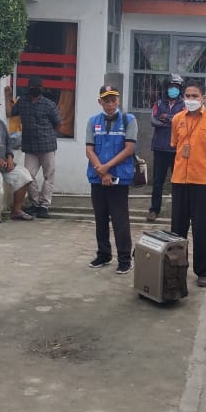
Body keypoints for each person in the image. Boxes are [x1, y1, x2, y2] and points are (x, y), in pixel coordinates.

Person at [169, 80, 206, 287]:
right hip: (179, 180)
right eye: (187, 96)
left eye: (195, 96)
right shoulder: (177, 119)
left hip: (203, 181)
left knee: (202, 228)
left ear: (203, 98)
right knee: (177, 228)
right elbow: (175, 145)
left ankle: (204, 271)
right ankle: (175, 269)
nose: (191, 99)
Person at [86, 85, 138, 273]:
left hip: (119, 178)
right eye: (106, 101)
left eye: (113, 100)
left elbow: (128, 150)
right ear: (100, 102)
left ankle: (124, 259)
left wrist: (107, 168)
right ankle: (103, 254)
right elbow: (89, 149)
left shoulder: (129, 120)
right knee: (100, 218)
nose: (110, 104)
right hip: (97, 178)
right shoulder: (93, 121)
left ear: (118, 100)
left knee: (120, 220)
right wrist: (101, 171)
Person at [0, 93, 34, 223]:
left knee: (24, 176)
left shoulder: (0, 123)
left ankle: (16, 210)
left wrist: (9, 158)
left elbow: (8, 143)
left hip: (4, 162)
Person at [13, 75, 62, 218]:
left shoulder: (49, 104)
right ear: (29, 88)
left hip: (47, 145)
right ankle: (35, 203)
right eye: (33, 87)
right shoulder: (22, 102)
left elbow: (58, 124)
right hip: (30, 146)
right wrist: (8, 96)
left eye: (38, 87)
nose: (35, 89)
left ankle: (44, 206)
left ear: (42, 88)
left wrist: (48, 134)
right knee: (28, 176)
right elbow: (10, 112)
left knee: (48, 176)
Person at [148, 74, 185, 222]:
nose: (173, 89)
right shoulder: (158, 103)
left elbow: (183, 122)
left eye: (176, 87)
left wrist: (166, 117)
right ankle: (154, 209)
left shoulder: (184, 105)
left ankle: (179, 211)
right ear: (166, 88)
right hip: (160, 148)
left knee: (178, 182)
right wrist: (173, 119)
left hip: (177, 149)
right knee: (158, 182)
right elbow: (153, 121)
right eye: (171, 87)